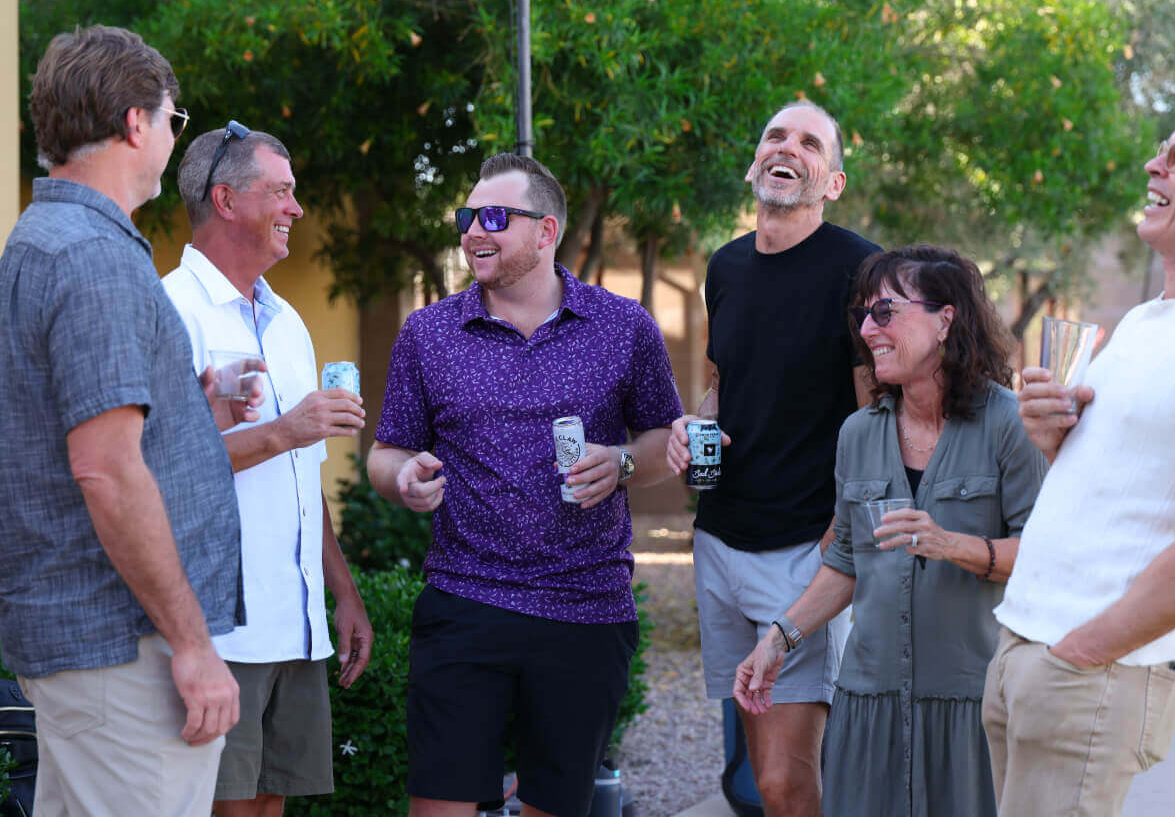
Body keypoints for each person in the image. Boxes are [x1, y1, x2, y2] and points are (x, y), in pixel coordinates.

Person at [984, 86, 1175, 817]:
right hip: (1025, 645)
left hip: (1090, 669)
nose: (1154, 164)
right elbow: (1110, 486)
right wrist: (1049, 433)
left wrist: (1082, 652)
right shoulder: (1146, 321)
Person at [367, 152, 682, 817]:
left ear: (546, 231)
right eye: (465, 218)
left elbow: (662, 439)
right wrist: (403, 477)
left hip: (586, 608)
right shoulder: (429, 333)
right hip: (464, 599)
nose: (472, 232)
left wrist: (621, 462)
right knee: (440, 807)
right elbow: (386, 451)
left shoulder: (624, 328)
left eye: (493, 218)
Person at [0, 25, 245, 815]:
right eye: (174, 118)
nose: (174, 134)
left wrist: (185, 413)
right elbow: (106, 470)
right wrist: (195, 647)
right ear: (137, 122)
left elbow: (100, 439)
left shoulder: (54, 239)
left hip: (98, 646)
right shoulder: (91, 257)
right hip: (124, 649)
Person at [734, 244, 1048, 816]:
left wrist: (954, 546)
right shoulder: (857, 433)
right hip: (868, 704)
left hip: (970, 706)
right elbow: (847, 560)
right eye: (863, 316)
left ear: (945, 318)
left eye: (885, 312)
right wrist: (778, 639)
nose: (869, 330)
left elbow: (1047, 557)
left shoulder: (1009, 424)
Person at [666, 100, 880, 816]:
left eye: (811, 142)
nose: (788, 148)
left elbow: (873, 414)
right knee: (755, 776)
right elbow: (723, 382)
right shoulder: (725, 266)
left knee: (789, 782)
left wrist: (840, 537)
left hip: (802, 548)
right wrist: (695, 426)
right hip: (720, 539)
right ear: (756, 159)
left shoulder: (859, 270)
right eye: (775, 136)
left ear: (834, 181)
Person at [163, 123, 374, 816]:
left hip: (294, 623)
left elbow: (298, 482)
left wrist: (340, 592)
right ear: (226, 201)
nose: (297, 208)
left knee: (268, 807)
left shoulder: (287, 323)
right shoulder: (172, 311)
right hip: (220, 630)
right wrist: (285, 429)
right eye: (281, 192)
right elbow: (160, 472)